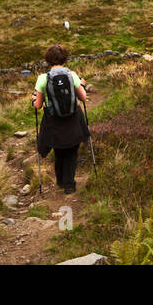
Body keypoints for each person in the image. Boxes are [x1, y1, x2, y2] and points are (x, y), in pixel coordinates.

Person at [33, 45, 89, 194]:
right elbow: (83, 98)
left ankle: (60, 181)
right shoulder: (72, 75)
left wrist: (33, 100)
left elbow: (38, 105)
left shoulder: (42, 78)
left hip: (54, 121)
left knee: (59, 151)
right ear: (65, 58)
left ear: (48, 60)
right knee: (72, 152)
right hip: (73, 118)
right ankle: (70, 184)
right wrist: (81, 85)